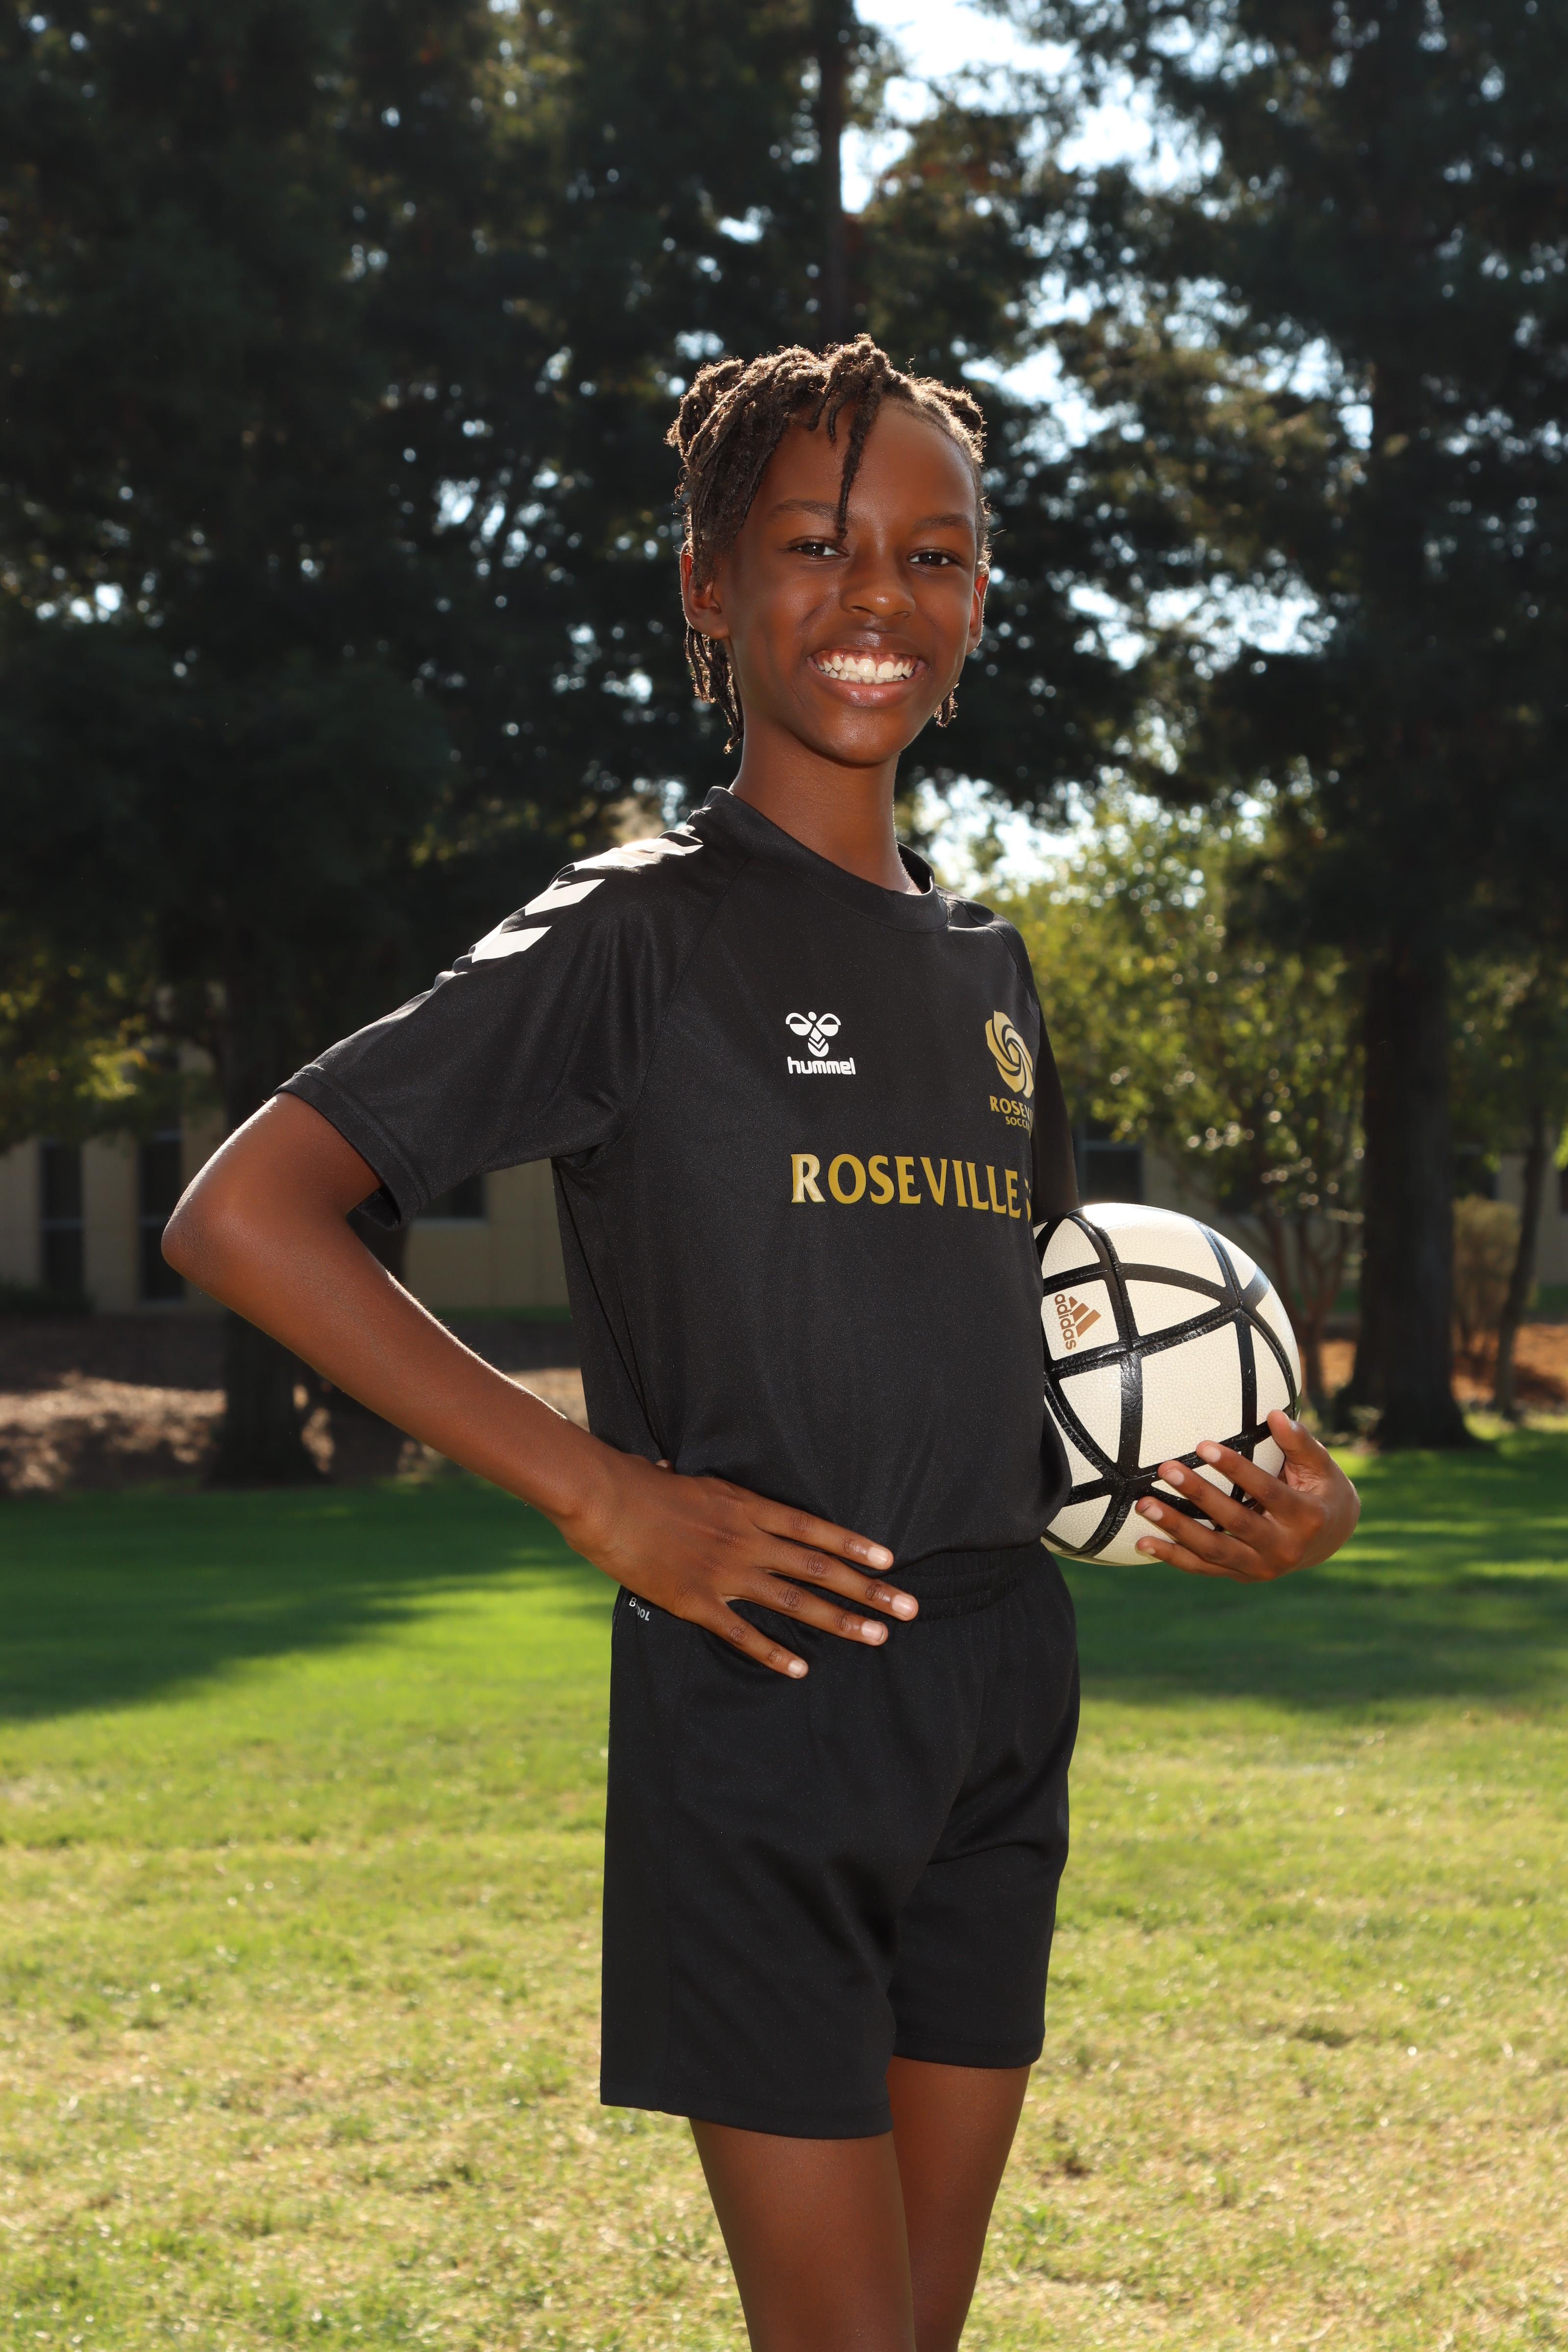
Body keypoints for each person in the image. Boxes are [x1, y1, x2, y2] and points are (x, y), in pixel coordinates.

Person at [165, 335, 1361, 2352]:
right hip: (767, 1697)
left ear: (978, 596)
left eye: (932, 554)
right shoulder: (638, 930)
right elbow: (244, 1215)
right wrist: (601, 1495)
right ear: (709, 588)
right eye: (815, 545)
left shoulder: (989, 970)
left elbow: (1049, 1358)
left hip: (1003, 1689)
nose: (877, 595)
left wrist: (1270, 1498)